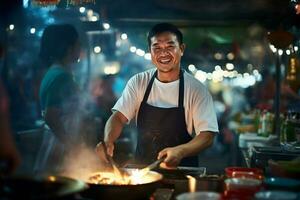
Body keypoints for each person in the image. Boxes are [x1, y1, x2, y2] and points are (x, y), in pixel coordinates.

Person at [96, 23, 218, 167]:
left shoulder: (196, 89)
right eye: (157, 48)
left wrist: (181, 151)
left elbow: (207, 136)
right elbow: (118, 117)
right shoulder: (139, 82)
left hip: (182, 172)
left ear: (182, 49)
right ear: (150, 51)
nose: (163, 53)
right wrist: (108, 141)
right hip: (143, 172)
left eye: (170, 46)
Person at [35, 24, 95, 173]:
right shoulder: (61, 76)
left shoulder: (54, 73)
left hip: (56, 143)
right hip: (58, 147)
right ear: (68, 48)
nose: (80, 48)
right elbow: (51, 116)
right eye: (78, 44)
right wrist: (71, 145)